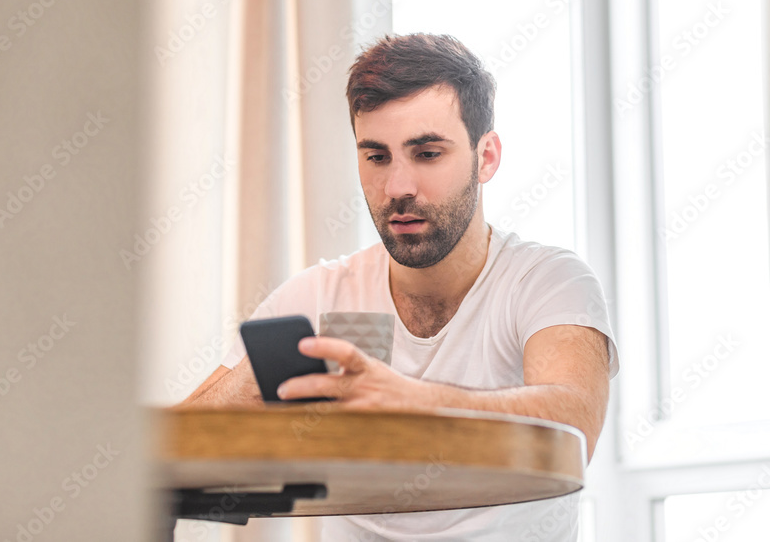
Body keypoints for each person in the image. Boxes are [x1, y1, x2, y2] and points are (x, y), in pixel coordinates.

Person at [178, 33, 619, 541]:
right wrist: (247, 390)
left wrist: (407, 402)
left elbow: (573, 426)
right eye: (377, 157)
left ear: (487, 157)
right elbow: (166, 453)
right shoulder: (318, 298)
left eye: (427, 153)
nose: (398, 188)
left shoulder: (547, 281)